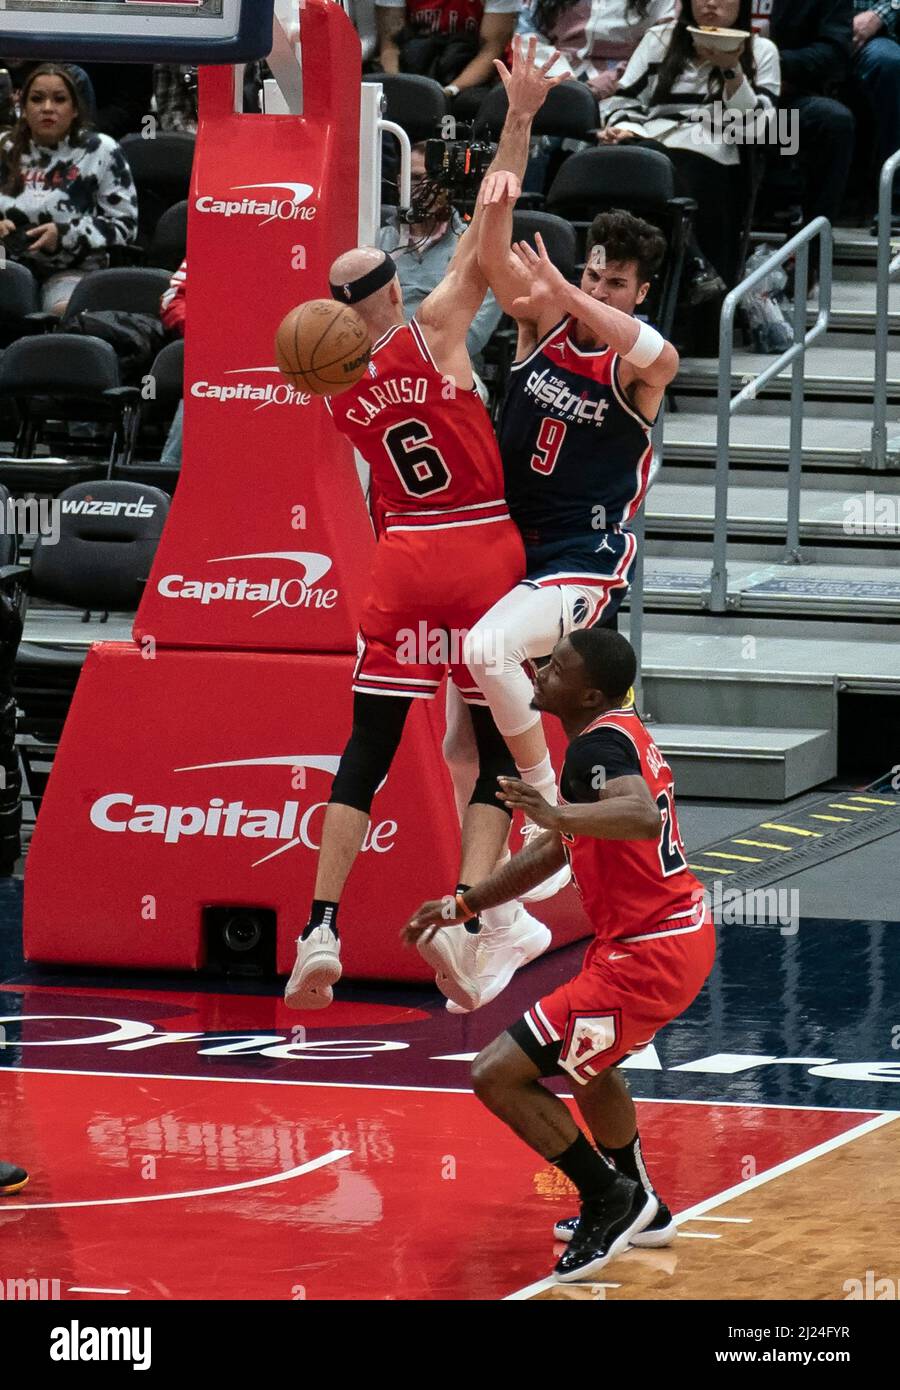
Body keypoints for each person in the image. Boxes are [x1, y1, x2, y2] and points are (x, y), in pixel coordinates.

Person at [284, 39, 570, 1015]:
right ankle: (475, 912)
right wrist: (522, 114)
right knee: (488, 749)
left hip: (399, 561)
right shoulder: (436, 326)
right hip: (480, 545)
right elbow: (494, 208)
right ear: (390, 295)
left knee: (367, 746)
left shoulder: (330, 381)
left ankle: (319, 924)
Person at [405, 628, 716, 1282]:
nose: (541, 670)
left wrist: (556, 811)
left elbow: (637, 817)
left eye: (558, 667)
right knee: (589, 1065)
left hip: (649, 954)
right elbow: (552, 852)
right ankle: (644, 1206)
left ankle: (607, 1197)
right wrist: (466, 905)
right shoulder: (614, 732)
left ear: (589, 692)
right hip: (664, 940)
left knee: (495, 1073)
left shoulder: (595, 749)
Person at [600, 0, 781, 291]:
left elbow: (758, 127)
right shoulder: (659, 39)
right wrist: (625, 129)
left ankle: (692, 270)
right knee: (645, 161)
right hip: (651, 140)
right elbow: (623, 101)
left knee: (675, 168)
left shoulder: (761, 50)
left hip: (715, 149)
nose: (710, 3)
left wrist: (731, 69)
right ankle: (694, 264)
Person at [0, 64, 138, 316]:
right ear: (23, 107)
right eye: (37, 99)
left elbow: (125, 227)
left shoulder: (101, 151)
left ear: (75, 109)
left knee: (62, 310)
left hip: (74, 268)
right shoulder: (5, 147)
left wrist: (64, 234)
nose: (48, 108)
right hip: (6, 263)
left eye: (59, 99)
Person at [376, 141, 502, 378]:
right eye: (414, 179)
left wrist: (416, 358)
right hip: (385, 364)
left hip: (450, 366)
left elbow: (475, 335)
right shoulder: (376, 241)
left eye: (433, 179)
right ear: (399, 182)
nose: (424, 188)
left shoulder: (475, 248)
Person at [767, 0, 854, 270]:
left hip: (785, 111)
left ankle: (809, 257)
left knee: (834, 123)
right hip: (720, 109)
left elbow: (834, 53)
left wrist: (771, 63)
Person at [375, 0, 520, 117]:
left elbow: (491, 50)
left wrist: (449, 91)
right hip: (415, 65)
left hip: (467, 73)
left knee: (474, 103)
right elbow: (389, 45)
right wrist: (398, 88)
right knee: (380, 93)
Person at [850, 2, 900, 228]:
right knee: (775, 57)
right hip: (815, 25)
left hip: (880, 34)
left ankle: (895, 196)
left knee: (890, 63)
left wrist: (881, 13)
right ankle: (782, 194)